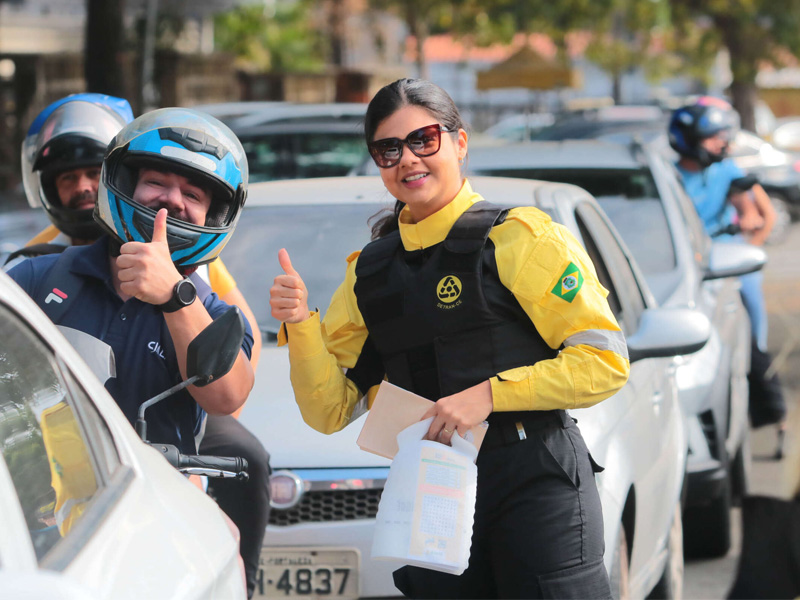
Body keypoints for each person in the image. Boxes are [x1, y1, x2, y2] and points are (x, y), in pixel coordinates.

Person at [270, 78, 630, 599]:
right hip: (431, 489)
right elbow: (328, 412)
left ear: (459, 143)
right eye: (388, 149)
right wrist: (301, 324)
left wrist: (487, 396)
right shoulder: (369, 272)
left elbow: (605, 362)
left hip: (535, 477)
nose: (408, 159)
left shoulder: (522, 237)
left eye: (424, 139)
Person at [11, 95, 271, 597]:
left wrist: (174, 295)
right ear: (125, 184)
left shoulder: (216, 314)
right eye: (156, 182)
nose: (171, 199)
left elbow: (227, 396)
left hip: (155, 519)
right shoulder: (36, 276)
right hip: (38, 522)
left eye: (192, 192)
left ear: (213, 213)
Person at [669, 96, 787, 458]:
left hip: (729, 266)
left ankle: (777, 421)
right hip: (687, 271)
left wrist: (749, 244)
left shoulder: (729, 171)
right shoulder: (668, 176)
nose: (723, 144)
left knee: (754, 341)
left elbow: (759, 215)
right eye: (713, 137)